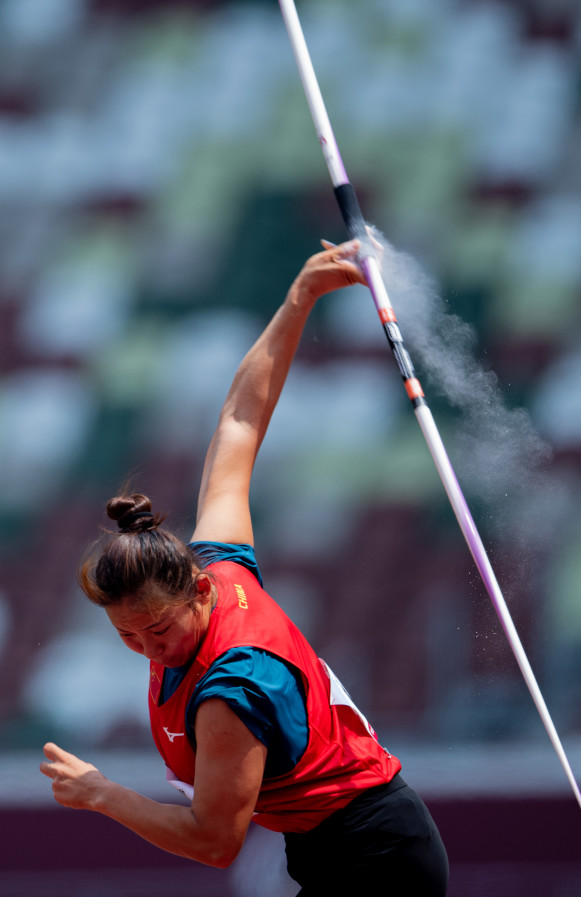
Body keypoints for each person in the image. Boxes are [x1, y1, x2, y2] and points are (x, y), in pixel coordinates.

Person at [40, 239, 449, 896]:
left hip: (374, 858)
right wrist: (299, 298)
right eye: (128, 635)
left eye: (158, 629)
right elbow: (239, 420)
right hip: (341, 847)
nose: (150, 647)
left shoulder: (232, 690)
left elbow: (214, 840)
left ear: (199, 590)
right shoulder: (220, 564)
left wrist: (101, 793)